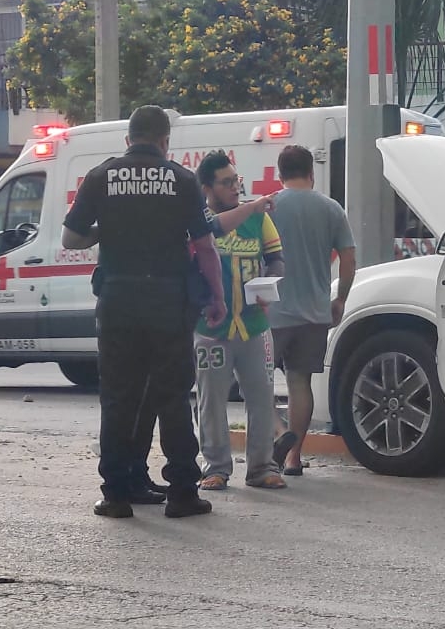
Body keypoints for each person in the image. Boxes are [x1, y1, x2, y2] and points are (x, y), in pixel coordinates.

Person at [62, 104, 228, 520]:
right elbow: (205, 247)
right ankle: (182, 493)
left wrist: (110, 229)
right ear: (164, 141)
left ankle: (116, 493)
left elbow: (72, 236)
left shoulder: (101, 176)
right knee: (172, 397)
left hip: (118, 301)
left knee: (118, 398)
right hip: (169, 303)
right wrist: (217, 297)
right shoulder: (182, 179)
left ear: (128, 139)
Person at [193, 151, 289, 490]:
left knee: (262, 396)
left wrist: (271, 284)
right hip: (210, 329)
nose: (235, 187)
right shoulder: (198, 221)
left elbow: (276, 259)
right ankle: (216, 467)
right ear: (208, 187)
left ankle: (263, 467)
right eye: (227, 182)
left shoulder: (258, 218)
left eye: (237, 181)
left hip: (254, 325)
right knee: (212, 399)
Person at [268, 145, 356, 476]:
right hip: (316, 312)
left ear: (280, 173)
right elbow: (349, 260)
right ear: (311, 172)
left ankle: (279, 433)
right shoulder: (332, 209)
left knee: (255, 380)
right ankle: (293, 457)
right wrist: (340, 299)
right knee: (299, 382)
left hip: (273, 311)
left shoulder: (269, 206)